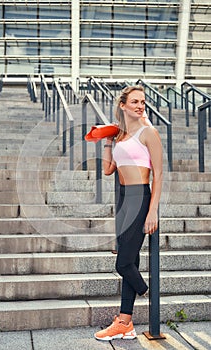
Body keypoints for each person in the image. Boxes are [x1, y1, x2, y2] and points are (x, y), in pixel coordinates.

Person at [94, 85, 163, 341]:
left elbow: (159, 173)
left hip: (140, 197)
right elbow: (108, 170)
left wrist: (152, 209)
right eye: (135, 101)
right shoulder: (122, 136)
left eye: (143, 102)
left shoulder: (149, 133)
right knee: (129, 260)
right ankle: (125, 322)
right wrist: (108, 141)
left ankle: (146, 290)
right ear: (123, 105)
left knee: (122, 263)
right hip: (124, 199)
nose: (140, 105)